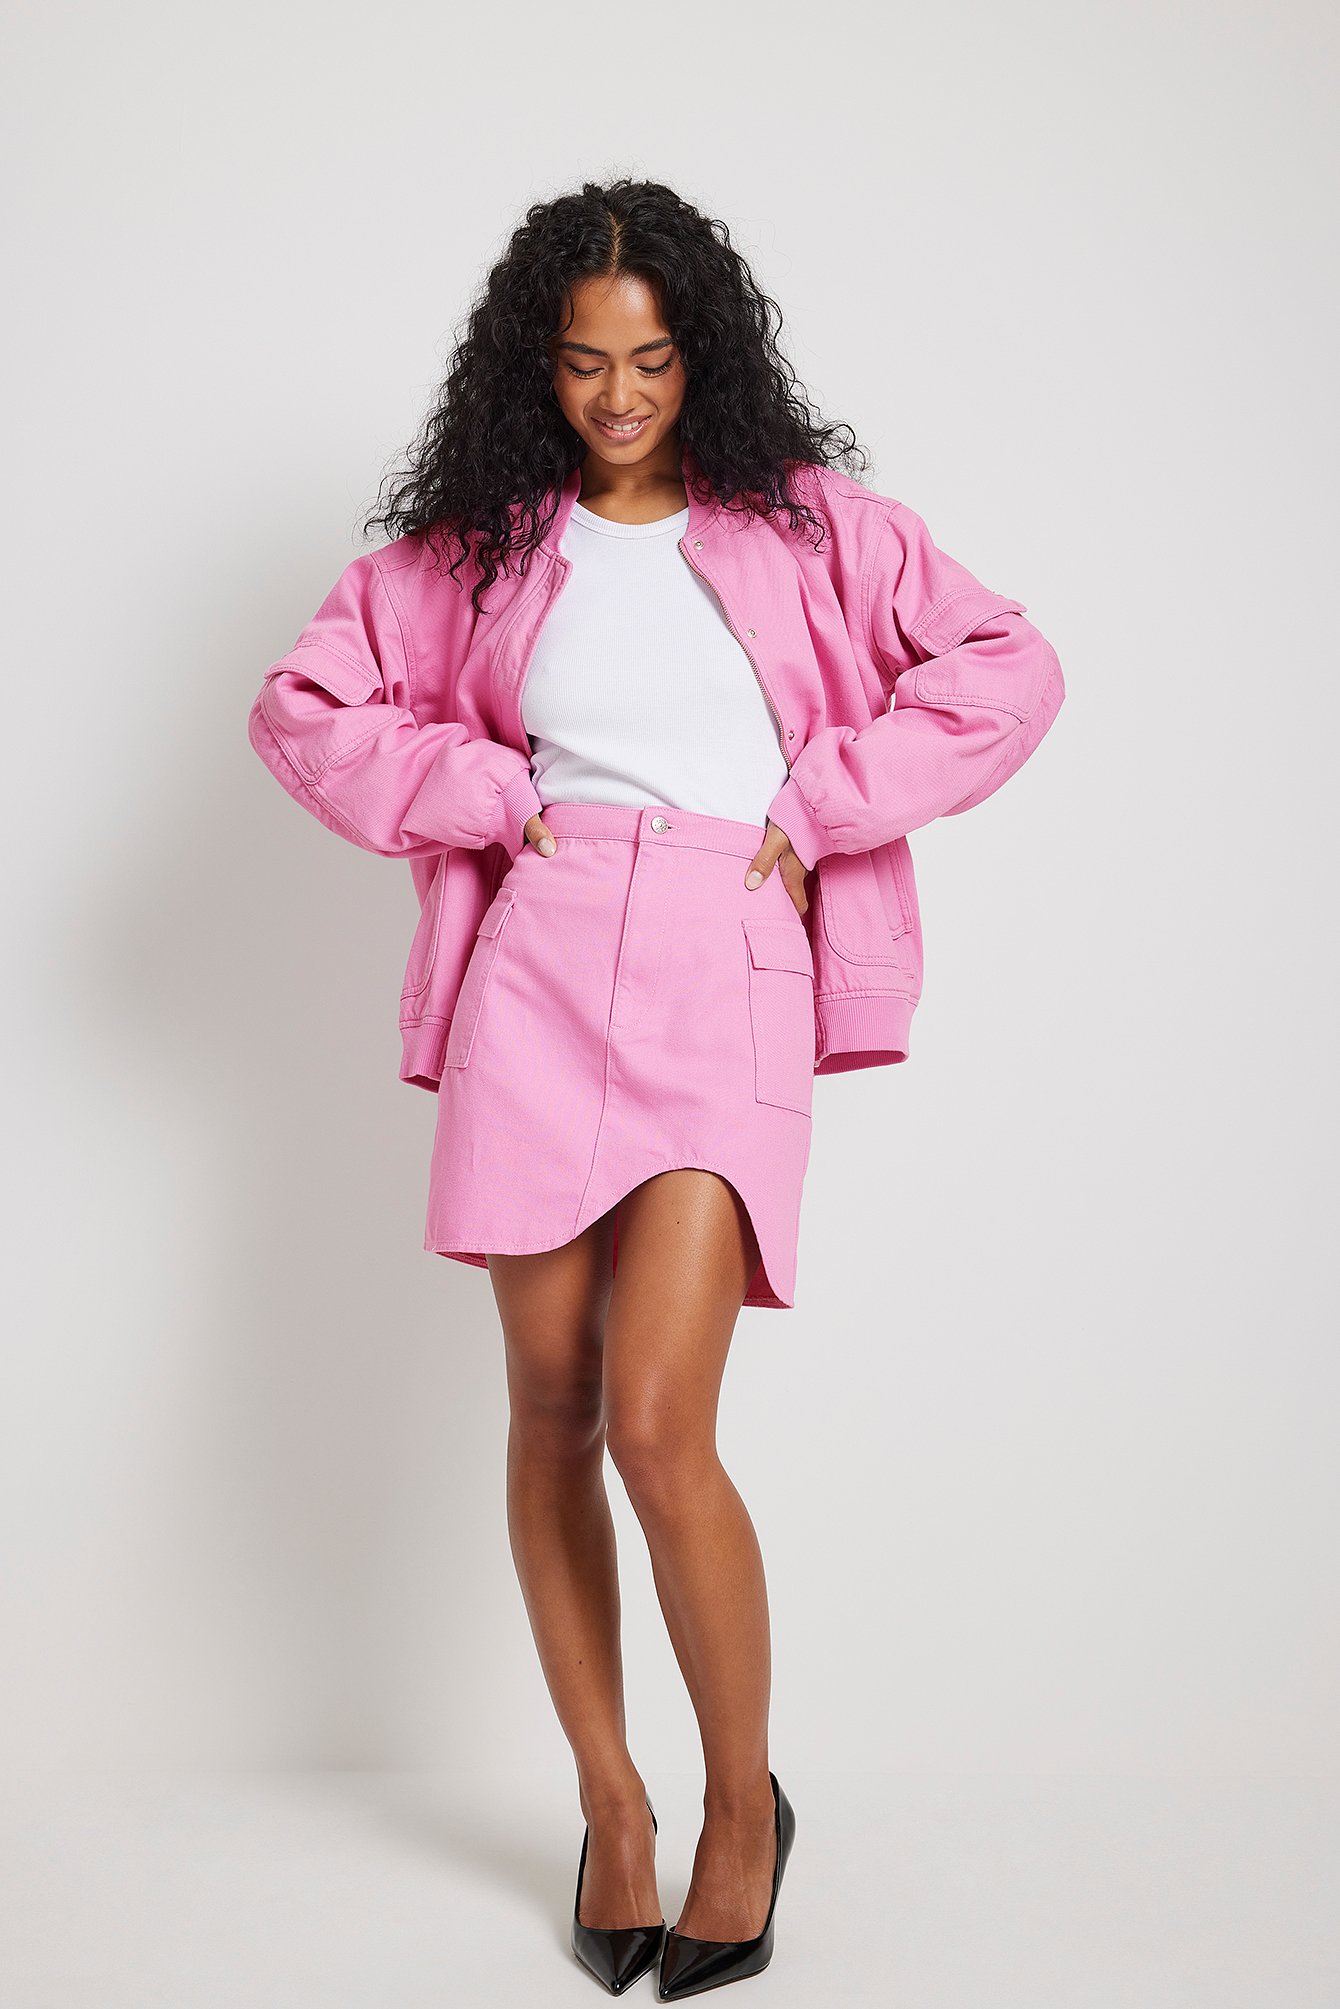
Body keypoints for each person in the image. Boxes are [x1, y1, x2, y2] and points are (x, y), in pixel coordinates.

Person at [247, 175, 1065, 1998]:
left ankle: (742, 1809)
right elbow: (304, 707)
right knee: (548, 1403)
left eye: (653, 358)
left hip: (725, 954)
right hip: (537, 961)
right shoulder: (478, 550)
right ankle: (611, 1805)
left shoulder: (813, 528)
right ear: (534, 368)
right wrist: (475, 791)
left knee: (656, 1425)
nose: (619, 394)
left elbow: (1011, 668)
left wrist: (827, 804)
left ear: (706, 355)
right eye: (583, 362)